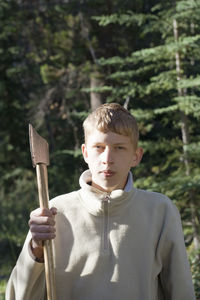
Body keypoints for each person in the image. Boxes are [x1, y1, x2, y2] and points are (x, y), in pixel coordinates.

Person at [6, 103, 195, 300]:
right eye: (98, 147)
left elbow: (181, 292)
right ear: (85, 153)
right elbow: (17, 295)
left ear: (136, 156)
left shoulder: (160, 211)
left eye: (119, 148)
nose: (107, 158)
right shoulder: (54, 212)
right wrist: (36, 249)